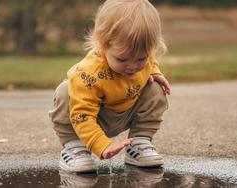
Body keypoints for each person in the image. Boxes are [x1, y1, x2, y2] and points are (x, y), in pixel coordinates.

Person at [48, 0, 170, 173]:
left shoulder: (142, 58)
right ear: (102, 44)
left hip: (126, 111)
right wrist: (102, 146)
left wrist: (155, 71)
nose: (133, 66)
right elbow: (82, 115)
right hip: (91, 117)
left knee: (156, 87)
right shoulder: (89, 74)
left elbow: (150, 61)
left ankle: (139, 144)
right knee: (64, 91)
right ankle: (75, 149)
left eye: (141, 58)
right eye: (122, 59)